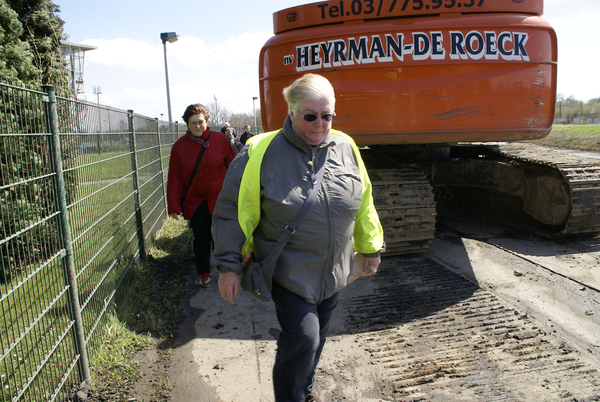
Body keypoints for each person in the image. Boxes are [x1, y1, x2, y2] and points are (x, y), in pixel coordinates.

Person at [211, 73, 384, 402]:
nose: (320, 124)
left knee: (315, 340)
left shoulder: (346, 147)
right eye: (310, 116)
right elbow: (230, 210)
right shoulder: (259, 151)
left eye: (328, 115)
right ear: (291, 112)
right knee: (303, 338)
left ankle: (303, 391)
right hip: (287, 272)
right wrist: (228, 266)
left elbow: (363, 201)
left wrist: (371, 245)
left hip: (333, 270)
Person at [167, 103, 235, 288]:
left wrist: (239, 194)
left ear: (207, 121)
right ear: (187, 125)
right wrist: (173, 206)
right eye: (193, 123)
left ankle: (227, 270)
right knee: (202, 236)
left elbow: (233, 167)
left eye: (201, 122)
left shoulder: (220, 140)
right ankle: (204, 271)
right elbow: (175, 177)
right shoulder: (179, 147)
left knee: (222, 236)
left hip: (221, 199)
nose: (198, 126)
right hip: (196, 201)